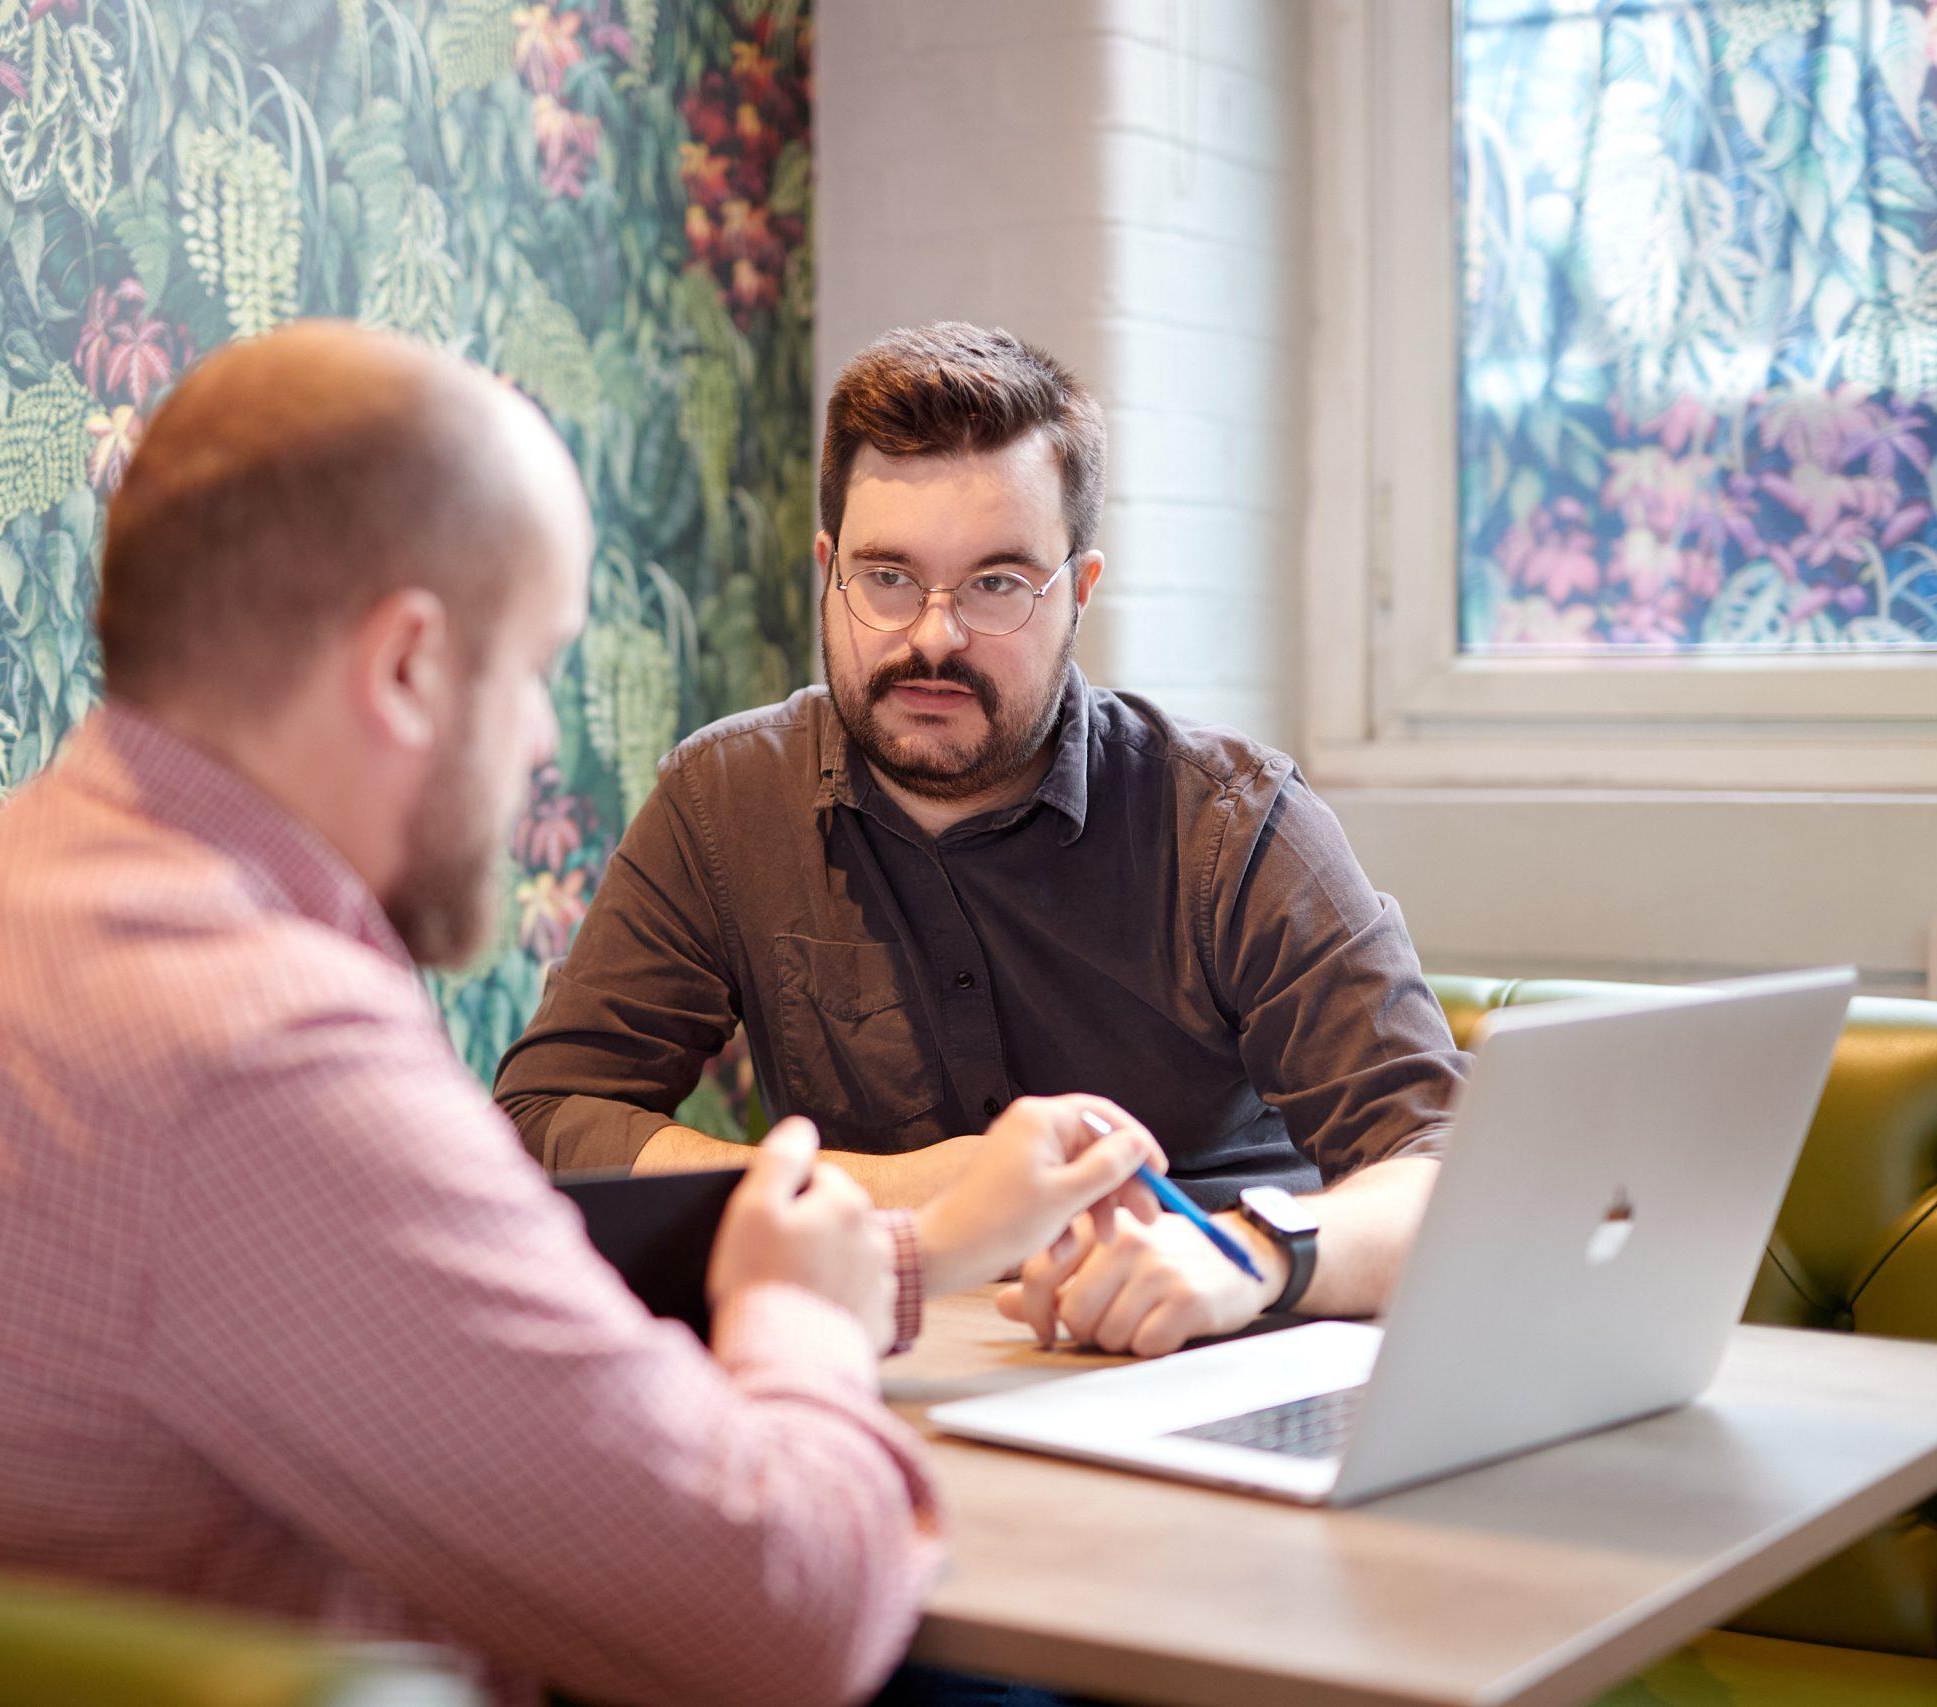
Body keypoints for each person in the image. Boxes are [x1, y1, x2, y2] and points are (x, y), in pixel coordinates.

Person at [0, 323, 1166, 1707]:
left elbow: (419, 1326)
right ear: (408, 666)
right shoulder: (248, 1048)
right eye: (535, 667)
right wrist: (809, 1324)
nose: (543, 743)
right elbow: (785, 1616)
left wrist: (857, 1257)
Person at [498, 321, 1466, 1360]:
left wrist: (1247, 1258)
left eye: (997, 584)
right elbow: (548, 1116)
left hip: (1208, 1361)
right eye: (888, 579)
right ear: (828, 572)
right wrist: (917, 1192)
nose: (932, 637)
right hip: (895, 1368)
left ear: (1078, 591)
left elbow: (1448, 1165)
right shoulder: (724, 799)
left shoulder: (1229, 823)